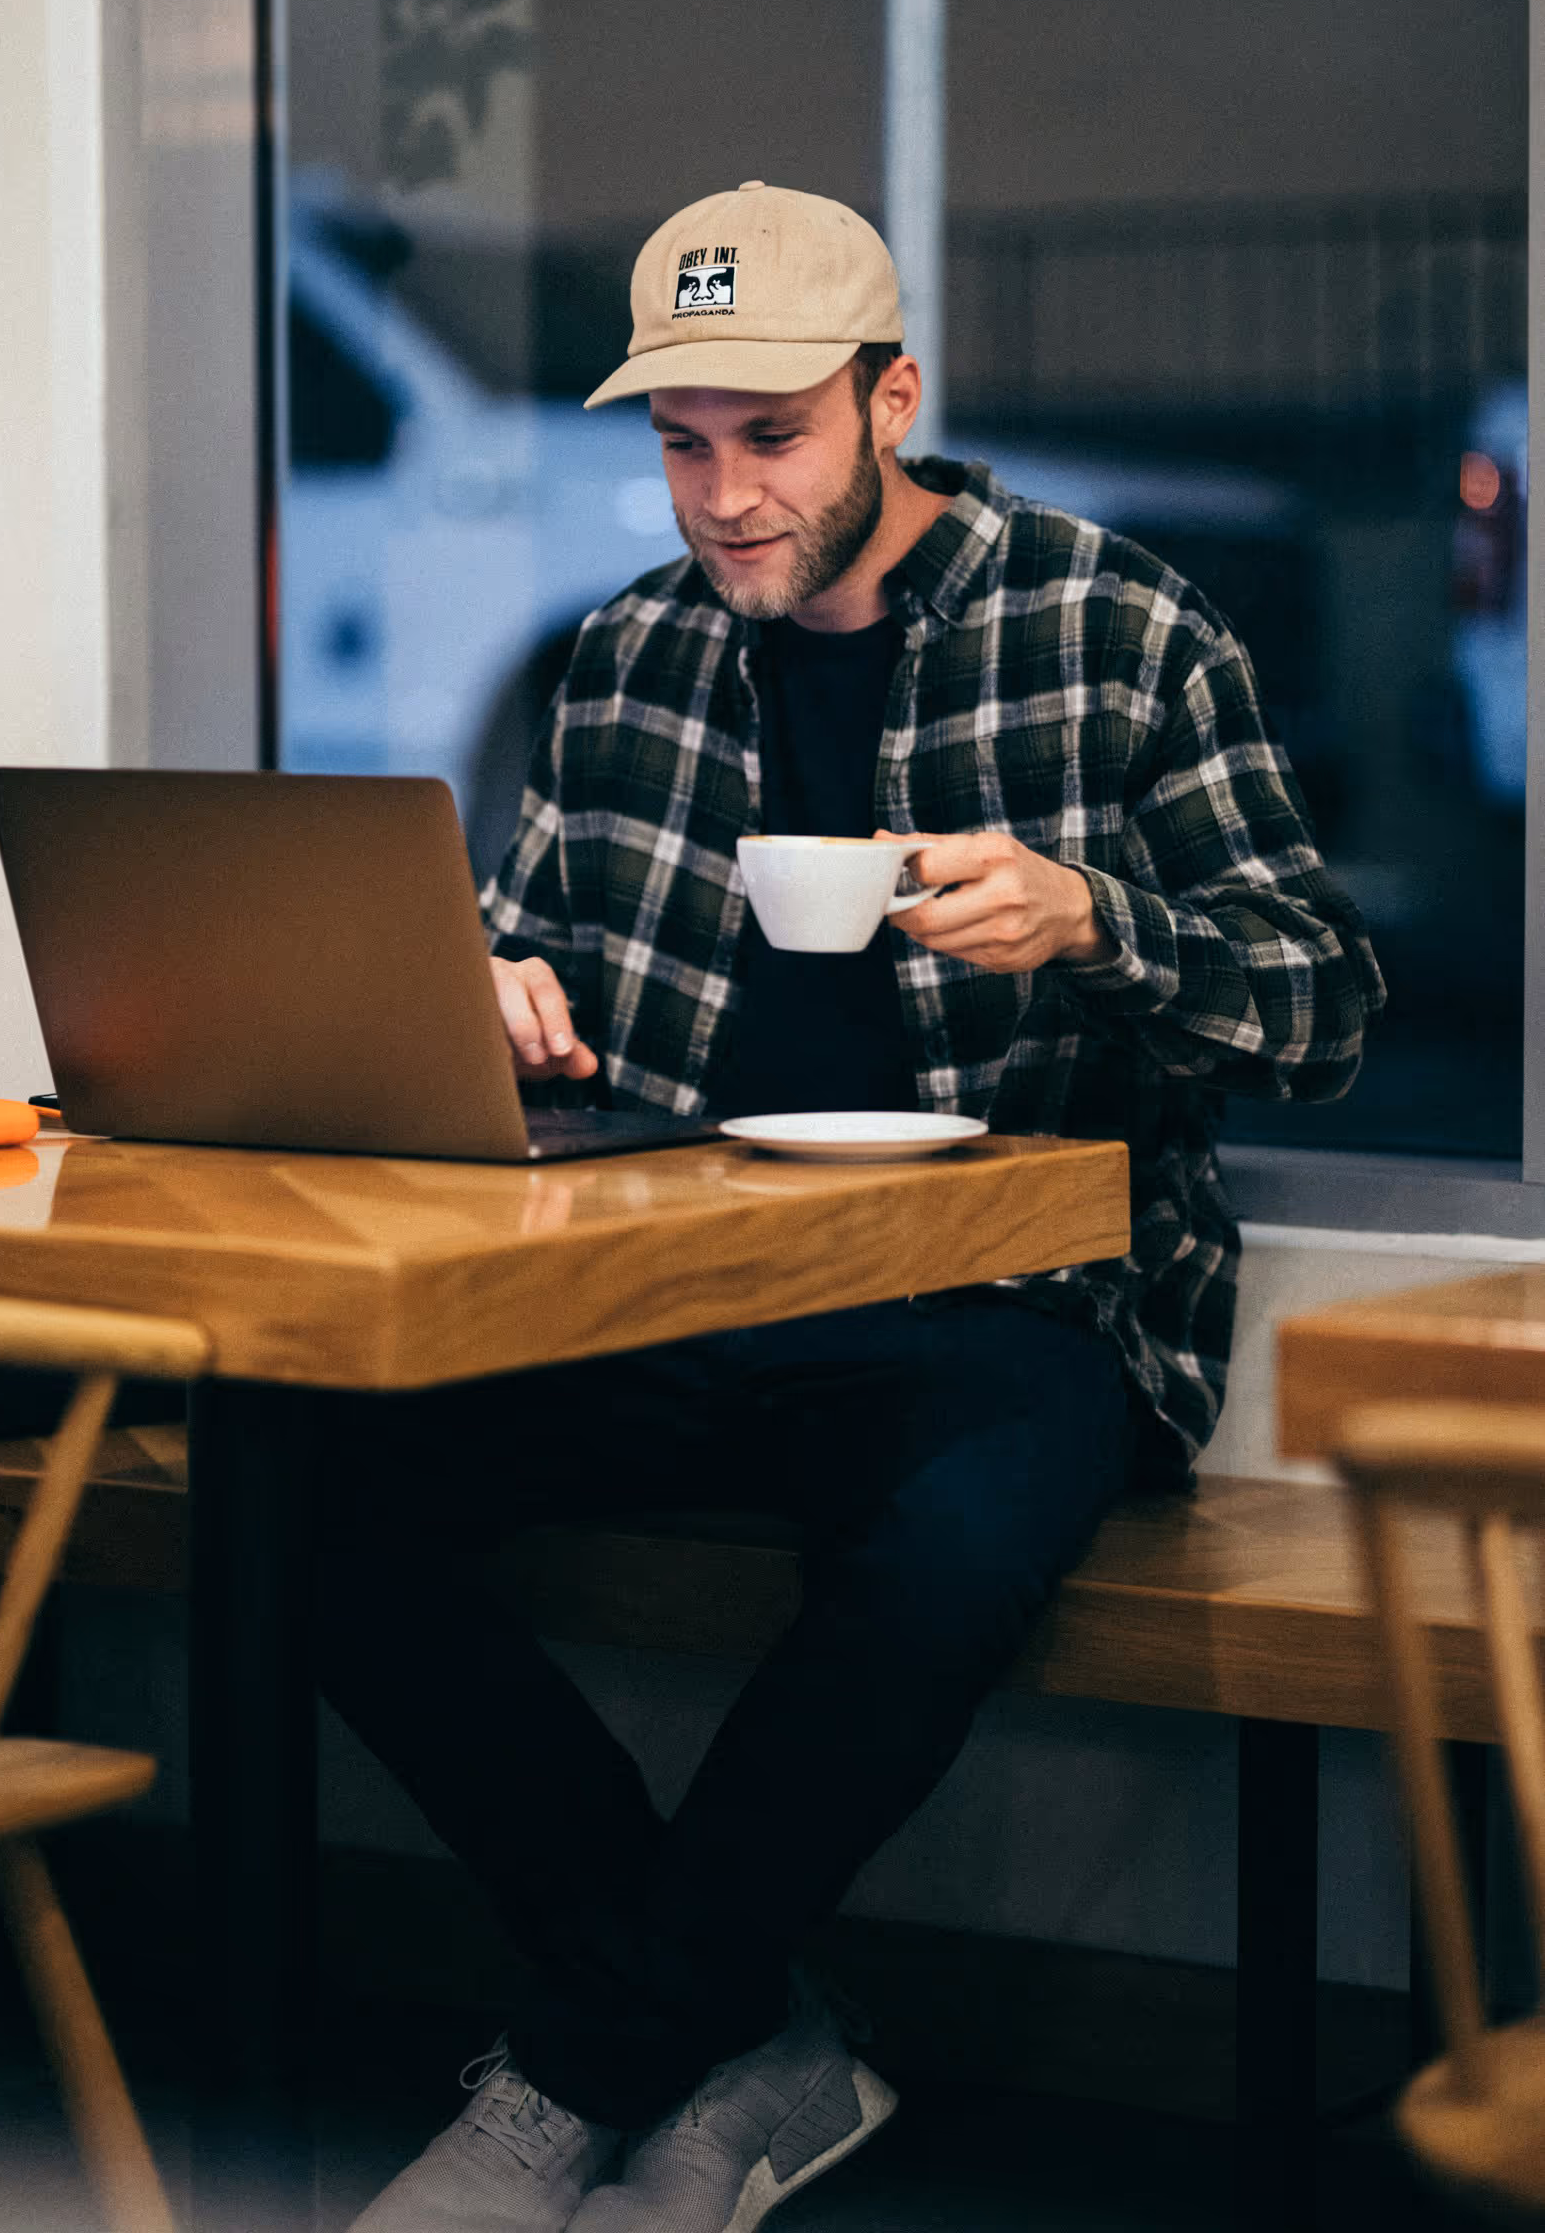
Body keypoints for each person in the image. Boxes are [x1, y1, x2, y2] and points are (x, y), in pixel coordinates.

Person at [325, 181, 1384, 2231]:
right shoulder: (627, 654)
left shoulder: (1114, 626)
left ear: (891, 397)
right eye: (679, 439)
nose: (721, 495)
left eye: (774, 434)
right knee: (312, 1473)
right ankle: (748, 2042)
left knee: (951, 1536)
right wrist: (486, 990)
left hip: (1022, 1293)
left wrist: (1100, 921)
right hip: (673, 1283)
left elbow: (1329, 1004)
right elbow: (539, 951)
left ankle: (573, 2077)